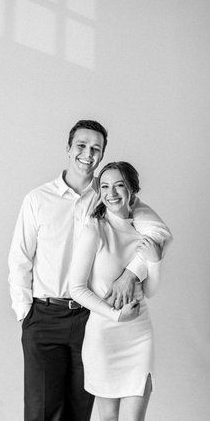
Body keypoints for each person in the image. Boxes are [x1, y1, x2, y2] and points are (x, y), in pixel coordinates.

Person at [8, 121, 172, 421]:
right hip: (45, 316)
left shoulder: (109, 193)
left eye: (96, 148)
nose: (88, 153)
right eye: (81, 146)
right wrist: (25, 312)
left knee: (79, 412)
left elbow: (159, 233)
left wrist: (130, 274)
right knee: (41, 412)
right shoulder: (38, 199)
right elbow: (20, 258)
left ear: (101, 155)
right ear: (68, 149)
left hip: (91, 318)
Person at [69, 161, 172, 421]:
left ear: (132, 191)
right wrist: (115, 316)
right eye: (104, 186)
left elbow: (149, 291)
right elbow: (76, 288)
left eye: (119, 185)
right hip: (104, 336)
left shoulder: (144, 231)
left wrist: (155, 261)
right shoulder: (95, 229)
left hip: (139, 334)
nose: (111, 193)